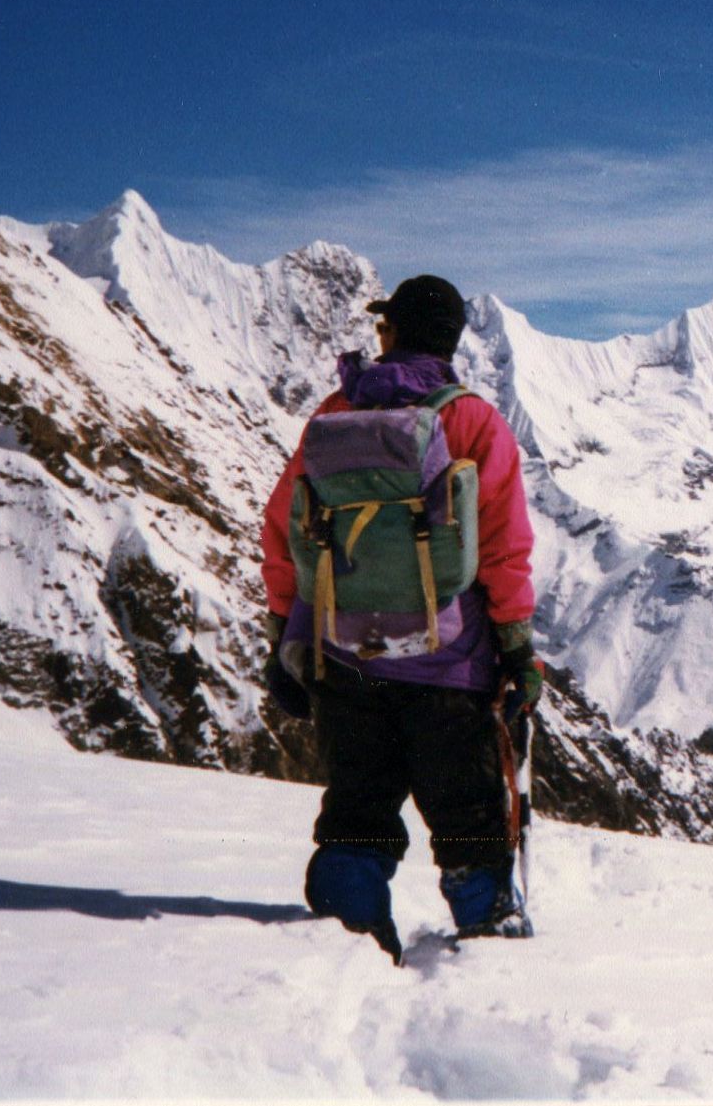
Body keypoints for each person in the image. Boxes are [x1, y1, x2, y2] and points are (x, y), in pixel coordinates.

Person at [258, 274, 544, 962]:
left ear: (391, 332)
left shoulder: (333, 413)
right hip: (448, 659)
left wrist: (285, 637)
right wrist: (516, 649)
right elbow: (504, 548)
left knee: (358, 801)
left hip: (345, 653)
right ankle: (488, 936)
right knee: (469, 810)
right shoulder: (473, 420)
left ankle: (344, 937)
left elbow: (284, 531)